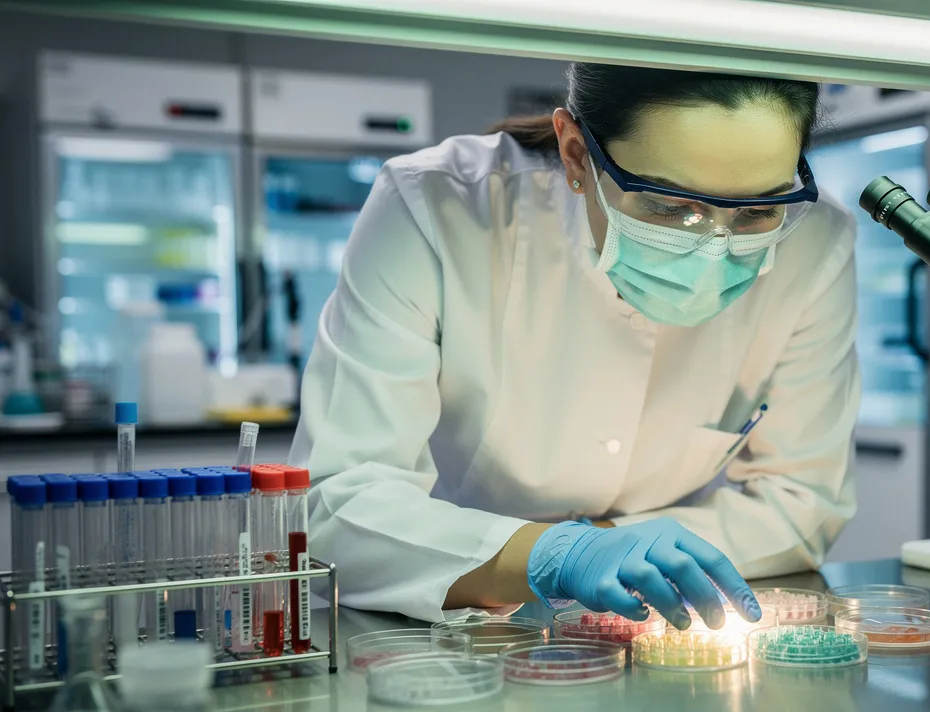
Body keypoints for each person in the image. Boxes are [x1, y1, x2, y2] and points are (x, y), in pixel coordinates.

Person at [290, 63, 860, 631]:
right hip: (462, 634)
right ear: (575, 154)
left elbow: (801, 503)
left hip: (667, 630)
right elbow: (337, 504)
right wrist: (554, 556)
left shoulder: (815, 242)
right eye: (667, 206)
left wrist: (616, 552)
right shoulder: (436, 207)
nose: (714, 247)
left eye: (758, 210)